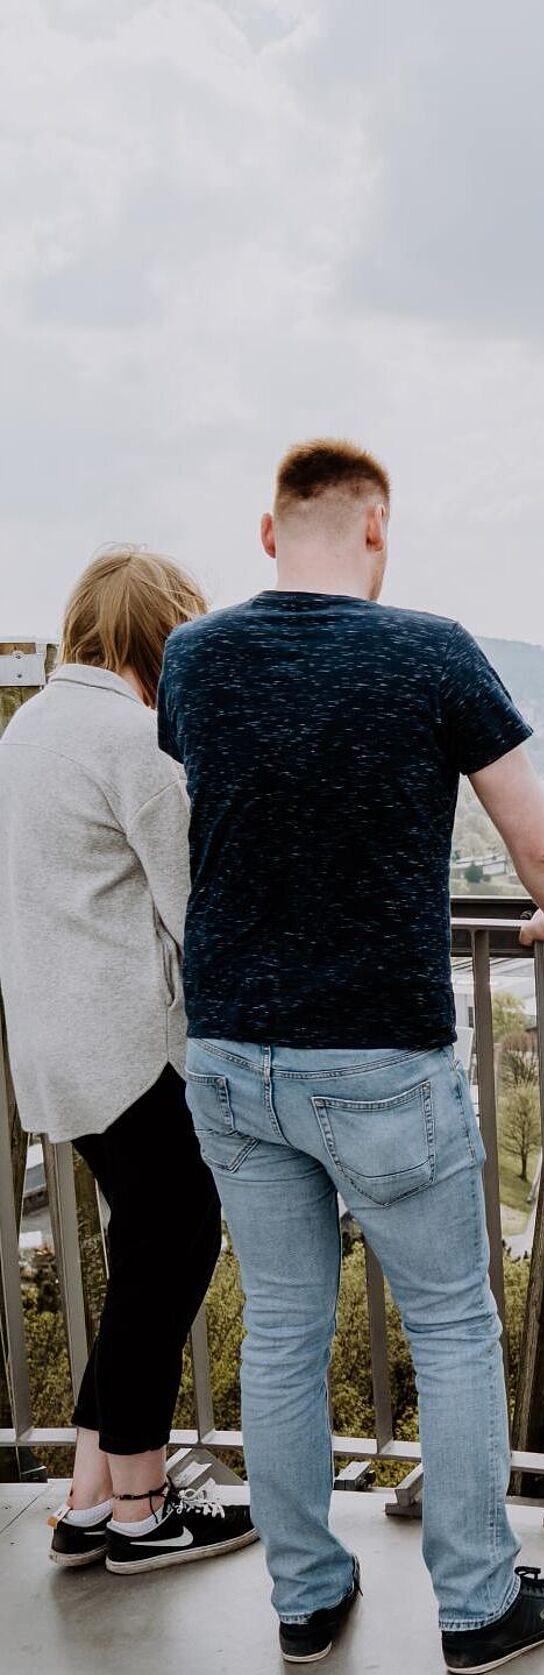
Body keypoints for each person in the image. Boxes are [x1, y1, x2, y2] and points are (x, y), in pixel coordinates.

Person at [157, 439, 544, 1673]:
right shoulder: (430, 651)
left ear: (266, 531)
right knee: (452, 1324)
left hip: (233, 1048)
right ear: (377, 530)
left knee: (284, 1326)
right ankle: (474, 1606)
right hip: (379, 1053)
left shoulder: (194, 657)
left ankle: (305, 1598)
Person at [0, 549, 259, 1573]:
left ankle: (87, 1498)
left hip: (54, 1043)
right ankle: (146, 1510)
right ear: (166, 639)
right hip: (136, 1047)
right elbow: (200, 908)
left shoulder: (27, 729)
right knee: (169, 1260)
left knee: (144, 1262)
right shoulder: (133, 740)